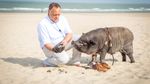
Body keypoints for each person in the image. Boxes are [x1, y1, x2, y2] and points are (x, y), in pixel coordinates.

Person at [37, 2, 81, 67]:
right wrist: (55, 49)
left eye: (58, 14)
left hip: (62, 43)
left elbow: (69, 33)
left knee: (79, 38)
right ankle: (46, 62)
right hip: (50, 47)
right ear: (49, 11)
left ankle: (75, 60)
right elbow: (46, 44)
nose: (57, 17)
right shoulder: (42, 24)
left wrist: (65, 41)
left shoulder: (63, 18)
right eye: (54, 15)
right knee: (64, 60)